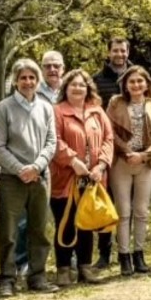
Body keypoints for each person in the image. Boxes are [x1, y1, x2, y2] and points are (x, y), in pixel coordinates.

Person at [0, 59, 59, 296]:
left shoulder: (46, 108)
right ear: (15, 81)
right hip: (12, 179)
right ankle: (7, 279)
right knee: (8, 231)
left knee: (39, 229)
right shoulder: (4, 108)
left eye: (32, 78)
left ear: (37, 81)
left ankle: (37, 276)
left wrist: (37, 167)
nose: (28, 82)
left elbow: (51, 142)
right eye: (23, 78)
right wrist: (20, 169)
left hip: (40, 176)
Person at [49, 69, 113, 286]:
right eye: (73, 84)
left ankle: (85, 267)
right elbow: (54, 140)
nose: (77, 88)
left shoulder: (97, 111)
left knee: (86, 221)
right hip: (65, 178)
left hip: (93, 178)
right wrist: (73, 161)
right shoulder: (57, 111)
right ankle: (63, 268)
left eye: (81, 85)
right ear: (65, 88)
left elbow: (108, 139)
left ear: (88, 89)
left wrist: (101, 165)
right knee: (65, 223)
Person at [107, 66, 151, 275]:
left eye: (140, 81)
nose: (136, 85)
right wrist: (127, 151)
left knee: (141, 210)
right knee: (123, 211)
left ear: (147, 84)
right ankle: (124, 256)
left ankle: (139, 254)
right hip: (122, 162)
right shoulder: (116, 103)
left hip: (146, 163)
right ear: (125, 85)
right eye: (131, 81)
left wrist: (144, 155)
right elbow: (109, 131)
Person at [91, 38, 130, 270]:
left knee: (128, 204)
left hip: (132, 150)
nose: (119, 54)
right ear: (108, 53)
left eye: (123, 50)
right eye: (115, 50)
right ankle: (104, 253)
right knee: (107, 202)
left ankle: (127, 250)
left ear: (128, 52)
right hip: (106, 151)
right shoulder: (97, 81)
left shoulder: (136, 76)